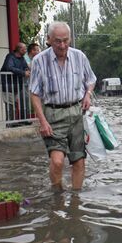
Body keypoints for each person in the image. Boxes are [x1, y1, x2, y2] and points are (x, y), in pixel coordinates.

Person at [29, 22, 96, 191]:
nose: (62, 45)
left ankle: (75, 200)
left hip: (76, 112)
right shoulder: (39, 61)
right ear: (49, 40)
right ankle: (57, 194)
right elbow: (34, 94)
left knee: (78, 160)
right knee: (57, 161)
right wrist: (42, 122)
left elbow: (91, 80)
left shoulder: (79, 56)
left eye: (66, 40)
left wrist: (87, 95)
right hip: (53, 114)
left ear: (70, 38)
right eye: (58, 41)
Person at [0, 42, 29, 122]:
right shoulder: (10, 57)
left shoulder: (22, 58)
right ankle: (10, 123)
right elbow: (9, 67)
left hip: (16, 86)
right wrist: (23, 73)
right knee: (10, 105)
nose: (26, 51)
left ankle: (13, 122)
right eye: (24, 49)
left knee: (15, 105)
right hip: (8, 86)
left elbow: (25, 67)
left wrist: (27, 70)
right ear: (19, 49)